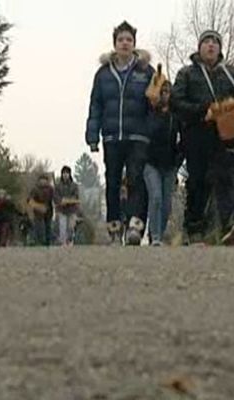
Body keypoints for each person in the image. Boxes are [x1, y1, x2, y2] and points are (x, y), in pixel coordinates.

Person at [171, 30, 234, 245]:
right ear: (199, 47)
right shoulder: (187, 74)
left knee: (227, 179)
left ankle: (228, 225)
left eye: (215, 42)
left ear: (219, 48)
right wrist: (203, 111)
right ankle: (195, 229)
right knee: (198, 182)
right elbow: (176, 103)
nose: (211, 46)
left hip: (225, 135)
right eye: (206, 42)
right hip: (196, 135)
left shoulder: (230, 72)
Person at [85, 21, 155, 245]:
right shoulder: (103, 74)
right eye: (121, 40)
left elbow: (156, 104)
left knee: (136, 178)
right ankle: (114, 227)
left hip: (138, 135)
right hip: (112, 135)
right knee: (113, 180)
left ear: (134, 44)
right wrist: (92, 134)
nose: (125, 43)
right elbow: (96, 104)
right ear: (115, 44)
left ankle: (135, 224)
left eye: (129, 40)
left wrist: (153, 126)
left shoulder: (146, 71)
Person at [144, 81, 180, 246]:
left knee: (166, 204)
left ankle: (160, 231)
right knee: (156, 197)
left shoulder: (176, 116)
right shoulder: (150, 113)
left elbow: (182, 141)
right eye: (162, 91)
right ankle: (155, 235)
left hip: (170, 164)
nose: (165, 94)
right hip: (151, 163)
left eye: (168, 92)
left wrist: (178, 160)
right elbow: (148, 133)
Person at [54, 166, 80, 246]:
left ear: (69, 174)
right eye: (64, 173)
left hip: (72, 210)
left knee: (71, 228)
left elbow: (76, 196)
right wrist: (61, 201)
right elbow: (56, 197)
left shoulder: (74, 186)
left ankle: (70, 241)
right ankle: (63, 243)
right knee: (62, 228)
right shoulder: (58, 186)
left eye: (67, 173)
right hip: (62, 210)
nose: (65, 175)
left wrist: (68, 201)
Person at [28, 174, 54, 246]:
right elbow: (30, 200)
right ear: (39, 181)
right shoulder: (35, 189)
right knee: (39, 227)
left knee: (48, 227)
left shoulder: (50, 189)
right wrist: (37, 206)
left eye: (44, 180)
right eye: (41, 180)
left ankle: (47, 242)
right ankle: (40, 241)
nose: (43, 181)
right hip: (38, 211)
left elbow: (54, 198)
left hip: (48, 210)